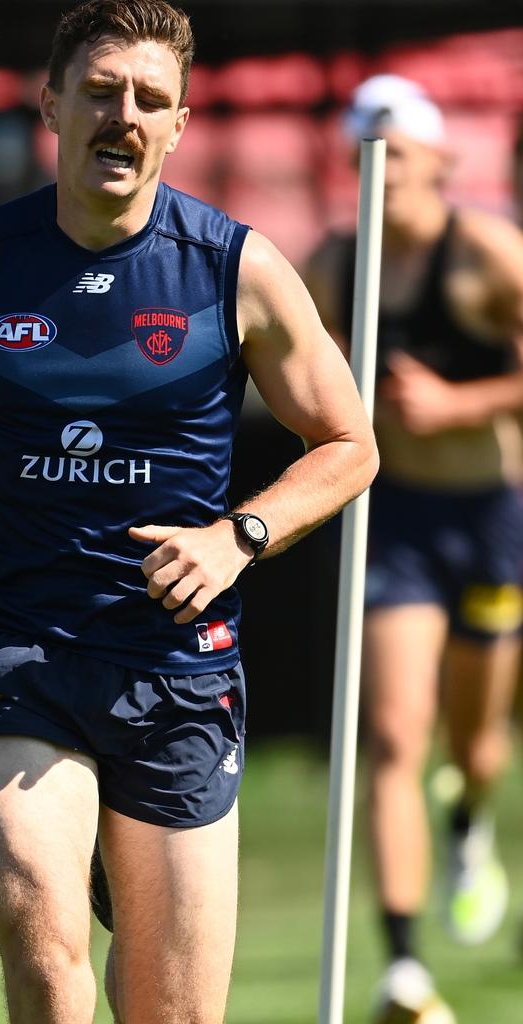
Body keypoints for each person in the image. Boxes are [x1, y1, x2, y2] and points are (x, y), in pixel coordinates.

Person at [0, 3, 377, 1021]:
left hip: (176, 661)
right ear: (52, 106)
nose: (124, 116)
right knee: (43, 941)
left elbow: (348, 445)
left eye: (150, 101)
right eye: (102, 91)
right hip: (17, 648)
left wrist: (237, 536)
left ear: (181, 124)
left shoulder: (234, 268)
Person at [305, 74, 523, 1024]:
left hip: (487, 518)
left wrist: (456, 404)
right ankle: (402, 969)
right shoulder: (333, 263)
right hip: (391, 522)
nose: (384, 167)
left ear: (440, 157)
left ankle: (470, 821)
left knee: (477, 740)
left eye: (399, 146)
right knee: (394, 734)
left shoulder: (484, 254)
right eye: (366, 147)